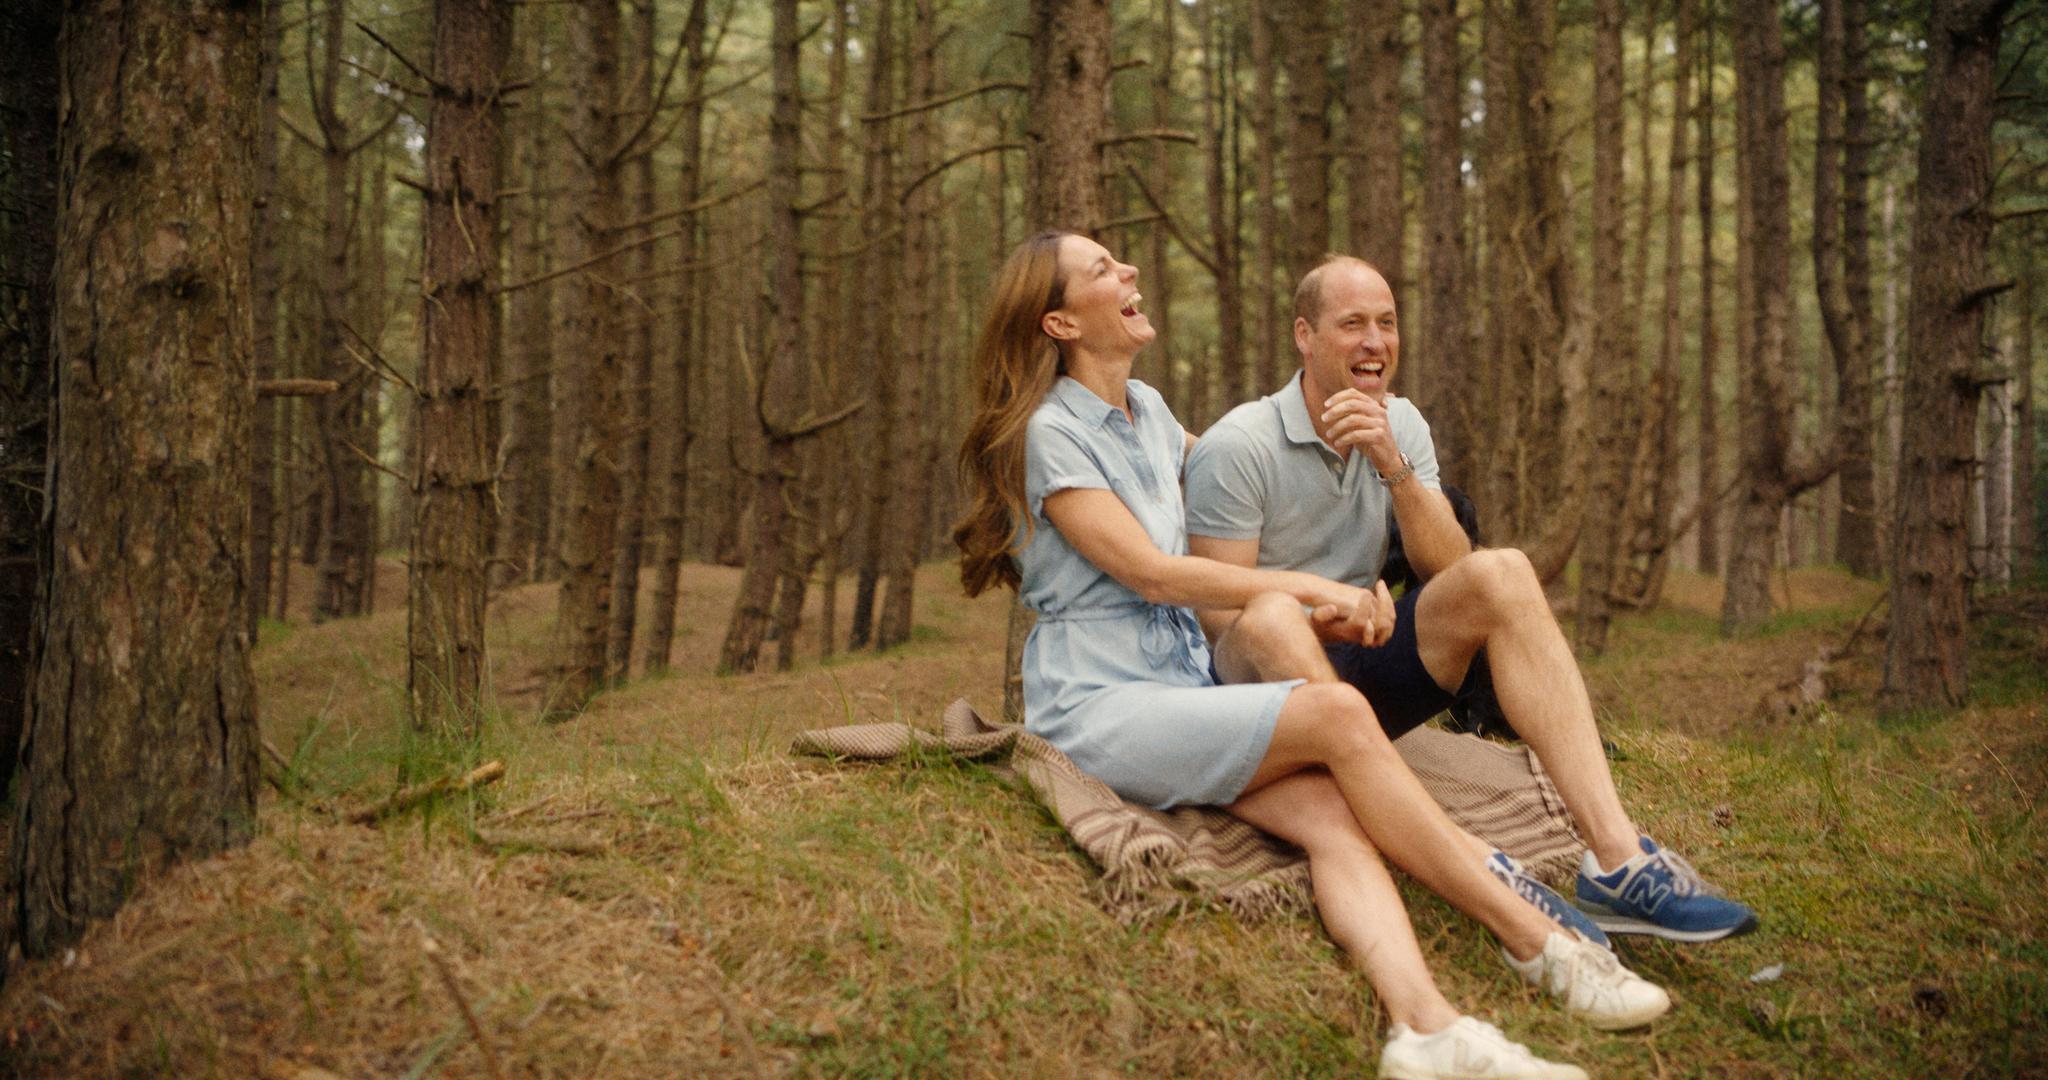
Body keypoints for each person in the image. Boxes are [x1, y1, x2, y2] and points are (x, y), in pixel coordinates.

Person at [955, 231, 1668, 1080]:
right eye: (1103, 269)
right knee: (1336, 713)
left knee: (1334, 818)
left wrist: (1362, 528)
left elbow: (1232, 472)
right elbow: (1148, 573)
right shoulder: (1049, 433)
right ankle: (1533, 935)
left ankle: (1426, 1030)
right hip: (1101, 702)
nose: (1129, 271)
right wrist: (1312, 590)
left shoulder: (1147, 414)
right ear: (1060, 321)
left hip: (1187, 690)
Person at [1184, 254, 1759, 944]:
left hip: (1363, 665)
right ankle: (1472, 864)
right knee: (1273, 619)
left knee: (1504, 572)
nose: (1375, 341)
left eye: (1387, 324)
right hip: (1265, 695)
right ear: (1305, 337)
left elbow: (1451, 571)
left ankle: (1617, 860)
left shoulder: (1404, 426)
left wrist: (1392, 464)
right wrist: (1320, 617)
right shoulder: (1240, 445)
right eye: (1353, 324)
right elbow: (1216, 614)